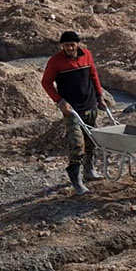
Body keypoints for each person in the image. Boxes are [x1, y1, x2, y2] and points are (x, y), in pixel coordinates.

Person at [42, 30, 114, 195]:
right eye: (66, 45)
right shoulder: (56, 62)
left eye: (72, 44)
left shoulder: (86, 55)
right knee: (77, 145)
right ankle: (77, 181)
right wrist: (60, 101)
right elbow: (46, 83)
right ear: (62, 46)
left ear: (78, 44)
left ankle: (89, 170)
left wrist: (99, 96)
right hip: (72, 109)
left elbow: (93, 75)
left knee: (91, 140)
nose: (69, 48)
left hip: (90, 105)